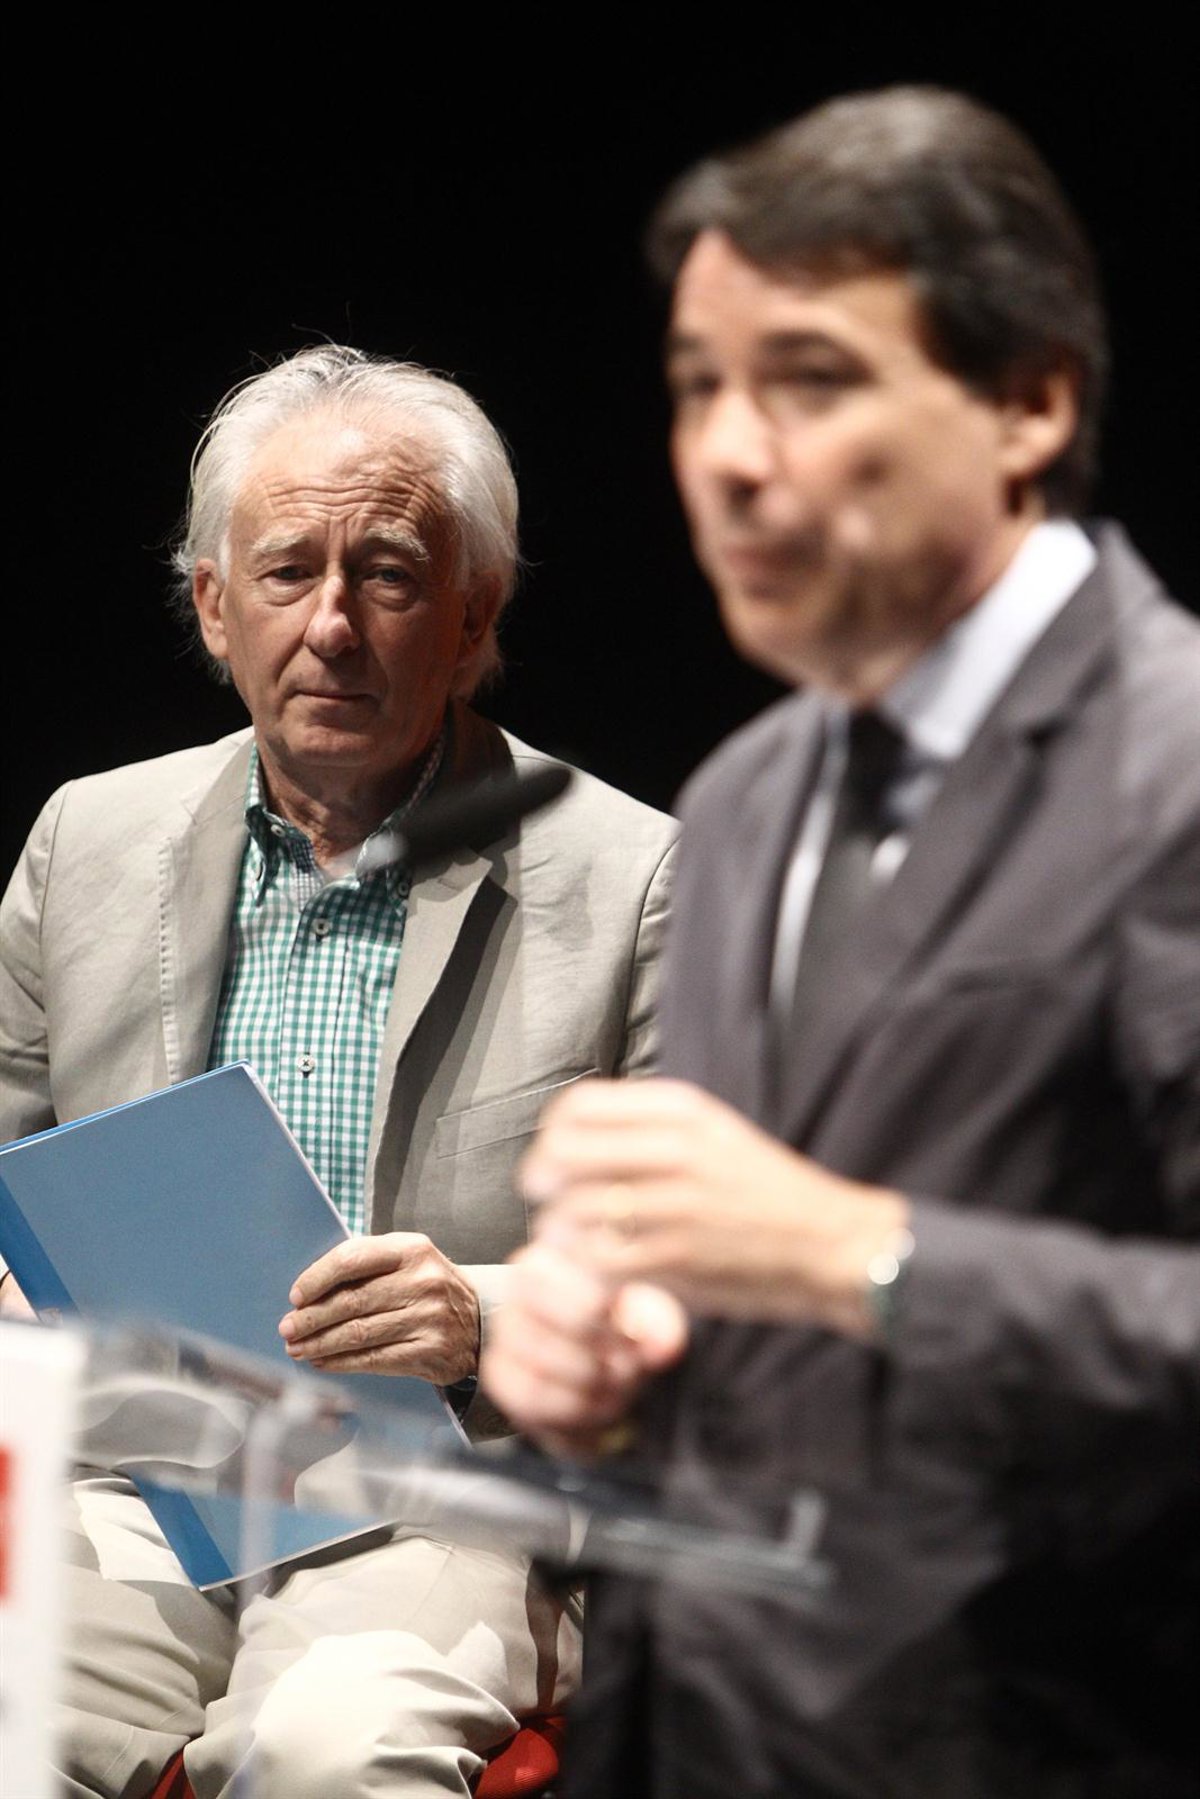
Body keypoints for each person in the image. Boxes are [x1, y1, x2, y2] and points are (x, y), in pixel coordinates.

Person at [482, 87, 1200, 1797]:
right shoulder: (743, 795)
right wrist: (603, 1340)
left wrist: (857, 1254)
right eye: (698, 387)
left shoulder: (1175, 767)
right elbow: (749, 1281)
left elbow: (835, 1247)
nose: (730, 455)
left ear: (1029, 402)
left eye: (808, 380)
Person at [0, 344, 678, 1798]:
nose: (331, 626)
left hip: (449, 1483)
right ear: (213, 605)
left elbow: (708, 1282)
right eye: (286, 573)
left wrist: (480, 1315)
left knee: (323, 1751)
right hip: (140, 1471)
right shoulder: (87, 841)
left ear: (473, 612)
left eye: (386, 576)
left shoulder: (634, 880)